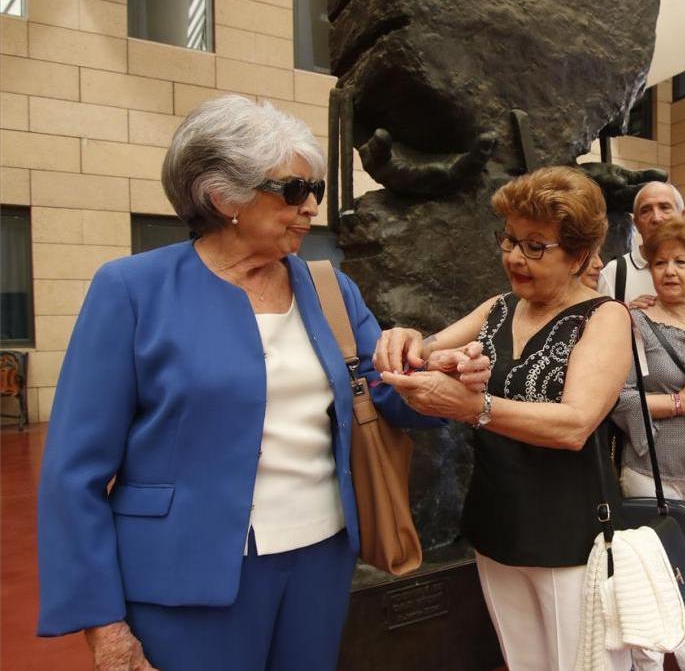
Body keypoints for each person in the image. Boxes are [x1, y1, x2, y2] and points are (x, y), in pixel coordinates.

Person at [35, 95, 478, 671]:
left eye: (315, 189)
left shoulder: (329, 289)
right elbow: (75, 472)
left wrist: (434, 375)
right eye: (294, 190)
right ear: (224, 197)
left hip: (320, 561)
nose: (311, 206)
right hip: (182, 574)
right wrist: (104, 626)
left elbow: (385, 392)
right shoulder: (132, 290)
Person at [373, 166, 634, 671]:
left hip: (569, 532)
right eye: (510, 240)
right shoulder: (497, 308)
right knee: (522, 661)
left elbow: (575, 424)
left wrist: (475, 407)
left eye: (536, 246)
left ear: (579, 255)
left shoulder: (605, 318)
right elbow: (422, 357)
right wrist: (407, 341)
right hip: (497, 520)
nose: (514, 256)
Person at [597, 180, 685, 669]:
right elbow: (614, 398)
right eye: (660, 263)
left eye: (681, 262)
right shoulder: (631, 322)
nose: (670, 271)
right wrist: (678, 402)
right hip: (650, 466)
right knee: (649, 572)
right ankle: (649, 662)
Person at [598, 181, 685, 311]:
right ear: (636, 224)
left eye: (664, 208)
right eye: (645, 211)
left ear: (682, 215)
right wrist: (625, 315)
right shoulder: (613, 273)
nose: (656, 218)